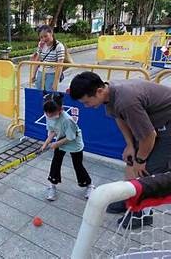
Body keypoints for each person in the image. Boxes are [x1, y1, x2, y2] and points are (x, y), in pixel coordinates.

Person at [69, 71, 171, 229]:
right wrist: (130, 145)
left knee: (147, 170)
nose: (86, 106)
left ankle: (142, 214)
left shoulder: (126, 100)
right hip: (153, 124)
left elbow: (150, 136)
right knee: (131, 161)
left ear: (99, 91)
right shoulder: (110, 94)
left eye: (87, 102)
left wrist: (141, 160)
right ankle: (128, 199)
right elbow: (120, 118)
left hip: (167, 124)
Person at [40, 93, 94, 201]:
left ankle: (89, 185)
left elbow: (71, 137)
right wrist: (45, 143)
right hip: (60, 140)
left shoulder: (67, 120)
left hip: (73, 143)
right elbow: (52, 131)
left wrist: (56, 144)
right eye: (47, 113)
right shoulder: (49, 115)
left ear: (60, 109)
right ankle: (52, 185)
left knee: (78, 165)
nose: (49, 116)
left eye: (52, 113)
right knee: (55, 163)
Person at [31, 25, 65, 91]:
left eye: (46, 36)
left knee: (49, 94)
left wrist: (55, 82)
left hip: (52, 74)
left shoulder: (59, 46)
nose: (43, 39)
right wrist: (34, 75)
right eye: (41, 37)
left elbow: (60, 65)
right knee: (39, 93)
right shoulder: (41, 44)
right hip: (41, 73)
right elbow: (38, 60)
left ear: (51, 33)